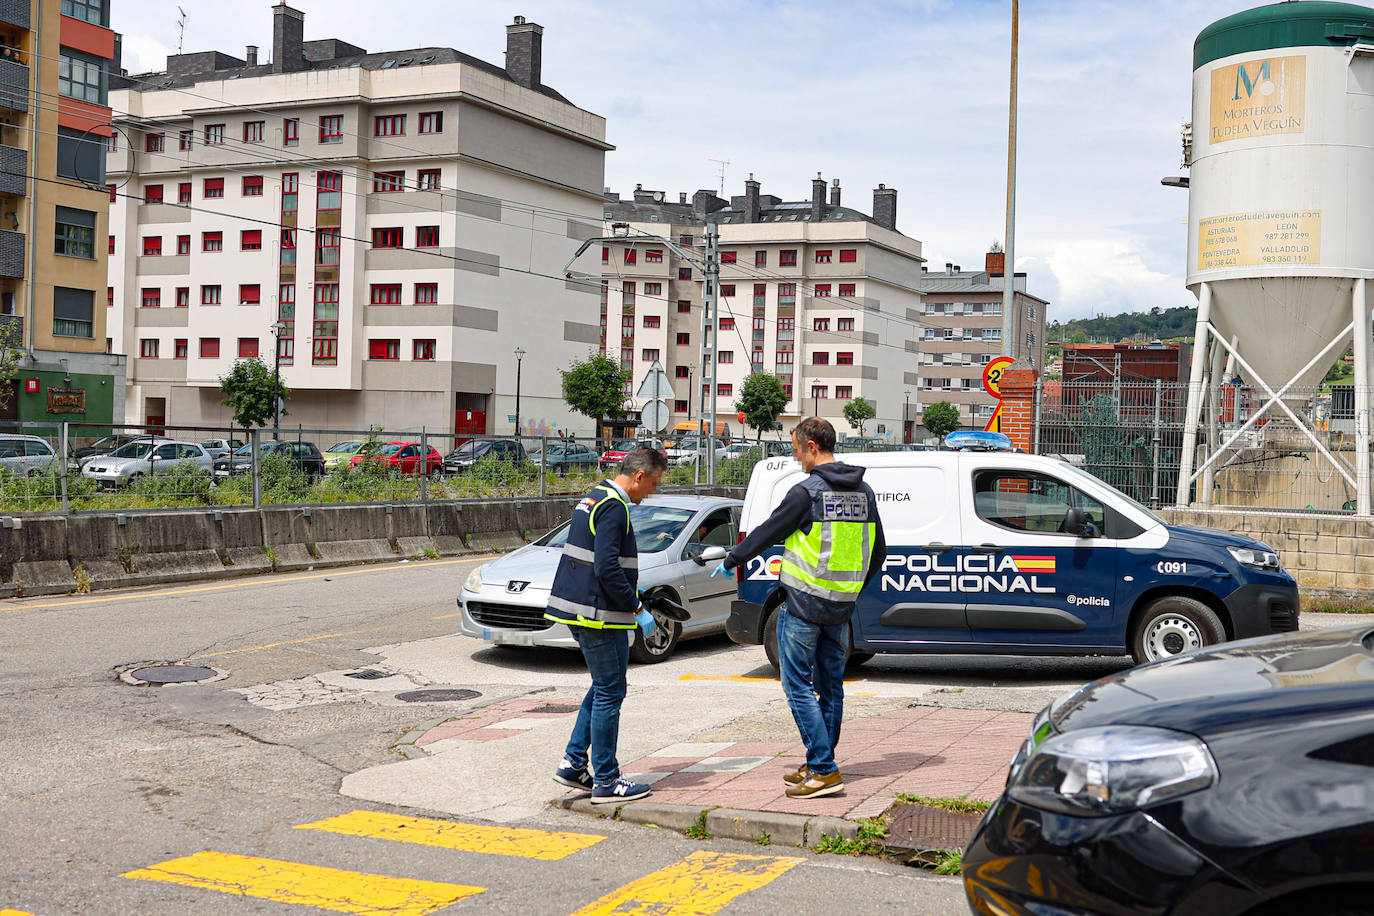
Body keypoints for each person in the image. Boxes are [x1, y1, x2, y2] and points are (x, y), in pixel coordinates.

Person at [711, 417, 886, 798]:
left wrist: (732, 559)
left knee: (798, 688)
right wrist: (852, 589)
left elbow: (767, 531)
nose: (795, 457)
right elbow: (879, 552)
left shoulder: (806, 493)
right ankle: (817, 762)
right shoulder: (865, 492)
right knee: (831, 689)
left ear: (811, 446)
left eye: (795, 449)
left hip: (804, 606)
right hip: (842, 609)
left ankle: (824, 769)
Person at [546, 446, 667, 804]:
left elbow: (600, 563)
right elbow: (606, 567)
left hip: (580, 609)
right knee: (611, 692)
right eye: (655, 484)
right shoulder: (615, 507)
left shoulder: (594, 497)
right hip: (598, 617)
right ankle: (607, 780)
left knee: (602, 688)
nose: (653, 492)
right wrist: (637, 607)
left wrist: (633, 587)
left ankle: (572, 763)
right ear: (640, 476)